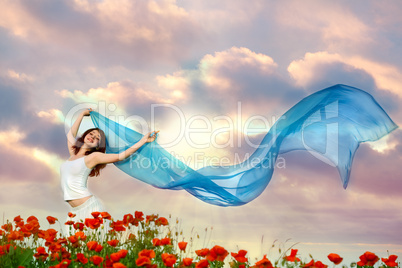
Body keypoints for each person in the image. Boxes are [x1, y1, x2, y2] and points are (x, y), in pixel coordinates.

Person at [60, 108, 158, 233]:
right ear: (85, 135)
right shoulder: (73, 153)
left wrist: (142, 141)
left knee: (90, 248)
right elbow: (70, 134)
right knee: (72, 250)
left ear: (97, 146)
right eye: (91, 134)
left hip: (90, 209)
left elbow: (120, 156)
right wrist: (81, 115)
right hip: (74, 212)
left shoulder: (93, 157)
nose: (92, 137)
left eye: (96, 138)